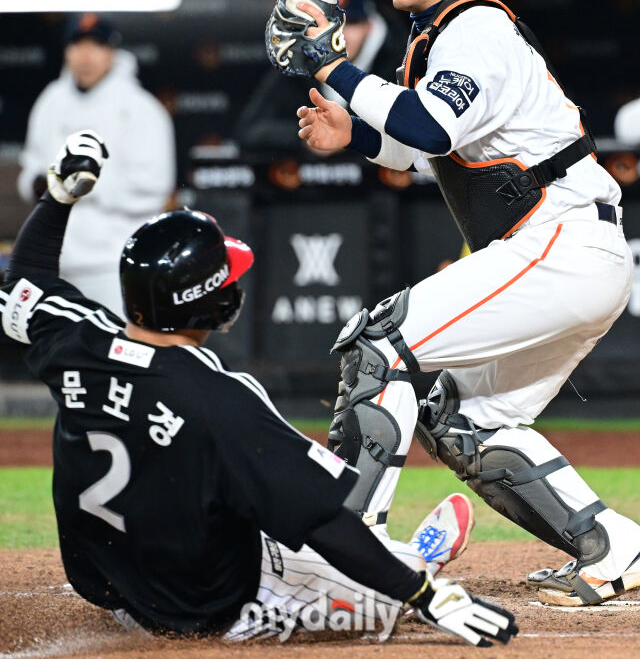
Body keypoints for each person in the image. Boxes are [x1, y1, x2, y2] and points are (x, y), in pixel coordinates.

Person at [0, 129, 517, 646]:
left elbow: (24, 281)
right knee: (338, 571)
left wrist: (60, 197)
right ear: (208, 303)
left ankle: (396, 558)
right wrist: (422, 593)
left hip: (110, 588)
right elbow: (323, 522)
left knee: (241, 494)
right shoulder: (219, 397)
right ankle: (413, 562)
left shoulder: (75, 339)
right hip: (210, 609)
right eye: (224, 279)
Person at [291, 0, 640, 606]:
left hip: (562, 241)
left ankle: (350, 556)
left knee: (378, 341)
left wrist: (334, 68)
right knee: (463, 419)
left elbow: (428, 127)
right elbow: (417, 150)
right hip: (565, 250)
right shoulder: (438, 35)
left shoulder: (475, 27)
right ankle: (614, 547)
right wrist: (349, 132)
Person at [17, 14, 176, 316]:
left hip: (113, 264)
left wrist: (84, 183)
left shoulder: (140, 109)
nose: (85, 55)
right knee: (55, 356)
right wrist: (42, 183)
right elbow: (30, 171)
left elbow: (153, 187)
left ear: (112, 52)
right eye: (77, 45)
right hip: (54, 262)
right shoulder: (51, 101)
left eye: (96, 45)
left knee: (115, 354)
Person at [236, 0, 406, 153]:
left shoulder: (399, 63)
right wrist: (308, 135)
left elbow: (415, 133)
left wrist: (352, 135)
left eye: (351, 22)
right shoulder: (297, 63)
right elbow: (250, 130)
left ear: (369, 26)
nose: (341, 34)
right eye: (331, 24)